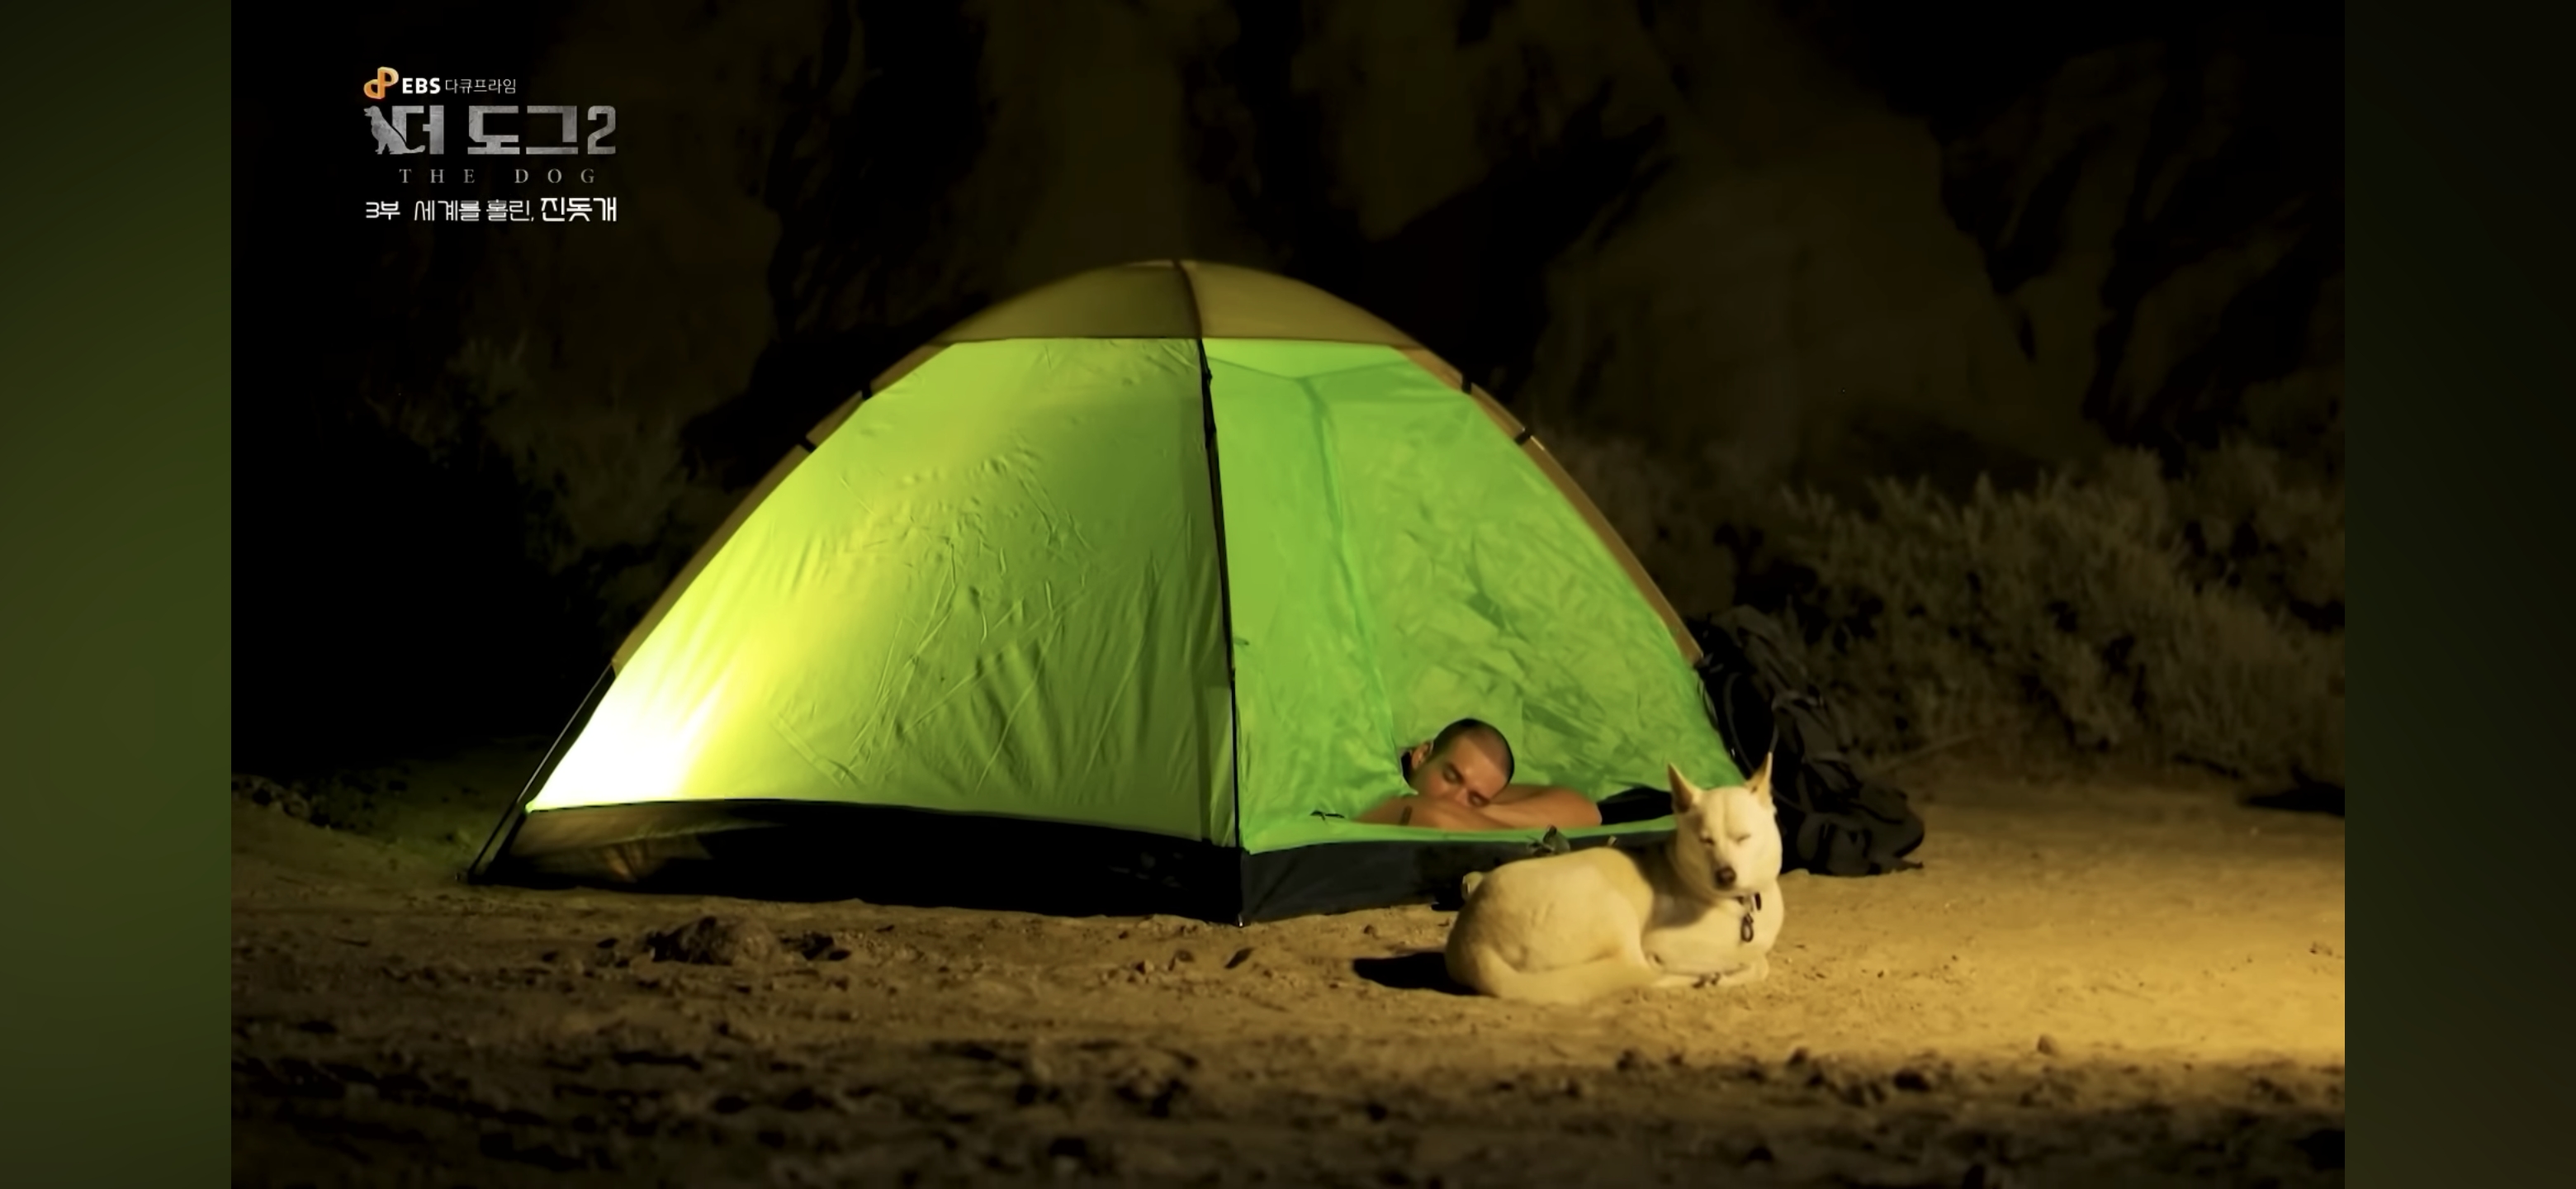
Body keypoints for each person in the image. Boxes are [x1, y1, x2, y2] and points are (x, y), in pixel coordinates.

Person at [1352, 718, 1603, 831]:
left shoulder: (1464, 803)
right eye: (1451, 777)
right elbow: (1432, 817)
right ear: (1422, 755)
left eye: (1475, 798)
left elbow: (1586, 812)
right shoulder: (1376, 772)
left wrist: (1478, 812)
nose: (1455, 800)